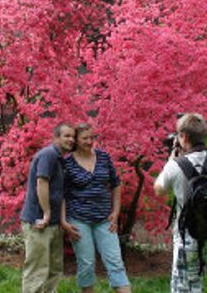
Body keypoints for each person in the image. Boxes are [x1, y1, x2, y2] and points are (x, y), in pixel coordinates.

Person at [154, 113, 207, 293]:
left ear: (183, 136)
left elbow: (159, 189)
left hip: (187, 236)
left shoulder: (174, 166)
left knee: (186, 289)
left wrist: (171, 161)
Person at [62, 123, 132, 293]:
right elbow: (61, 194)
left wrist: (116, 212)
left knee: (115, 261)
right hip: (79, 219)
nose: (90, 141)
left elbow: (116, 184)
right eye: (85, 138)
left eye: (92, 137)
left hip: (104, 219)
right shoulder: (67, 163)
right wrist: (63, 221)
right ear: (76, 140)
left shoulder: (104, 157)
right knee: (86, 264)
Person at [20, 123, 75, 293]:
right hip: (39, 221)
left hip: (53, 223)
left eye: (73, 136)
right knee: (37, 270)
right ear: (56, 137)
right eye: (66, 136)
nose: (71, 139)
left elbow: (60, 193)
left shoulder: (61, 160)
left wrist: (60, 220)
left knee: (54, 269)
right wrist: (46, 213)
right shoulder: (48, 155)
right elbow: (41, 182)